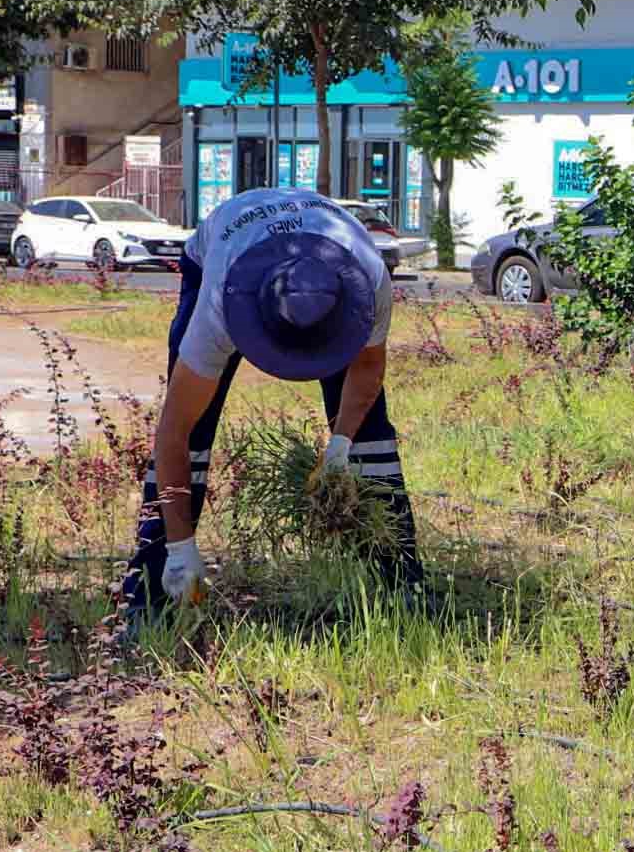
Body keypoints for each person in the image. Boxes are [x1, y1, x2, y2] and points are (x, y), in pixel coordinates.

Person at [122, 186, 417, 614]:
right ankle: (152, 589)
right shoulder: (220, 308)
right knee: (195, 432)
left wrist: (340, 447)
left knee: (370, 433)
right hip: (221, 250)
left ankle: (398, 584)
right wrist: (183, 546)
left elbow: (368, 369)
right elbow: (174, 432)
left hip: (322, 245)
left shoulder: (368, 280)